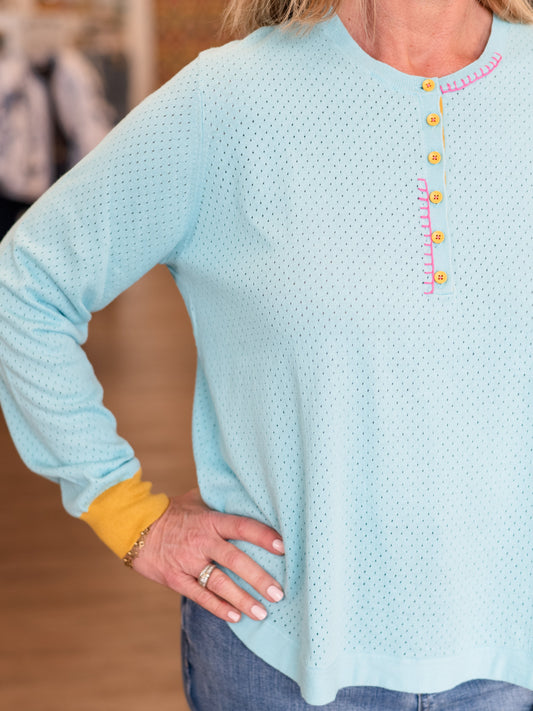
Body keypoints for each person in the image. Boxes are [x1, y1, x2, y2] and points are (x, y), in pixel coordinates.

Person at [1, 0, 532, 708]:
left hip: (512, 657)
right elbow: (24, 284)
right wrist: (129, 515)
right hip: (278, 653)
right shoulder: (229, 101)